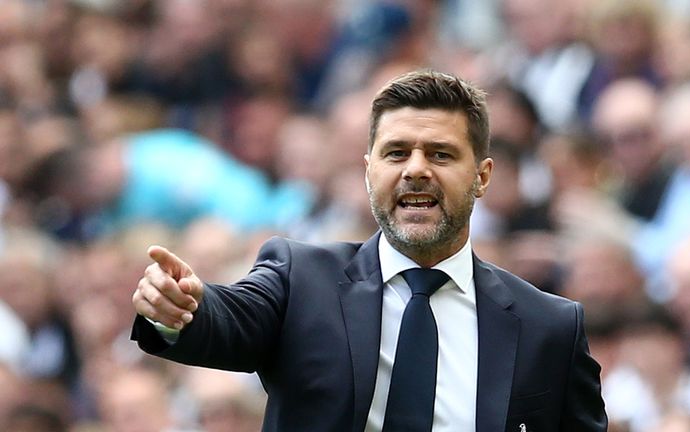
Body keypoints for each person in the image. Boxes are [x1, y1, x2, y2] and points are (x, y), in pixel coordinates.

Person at [130, 70, 607, 431]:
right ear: (367, 171)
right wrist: (179, 309)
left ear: (482, 175)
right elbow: (229, 315)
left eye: (440, 154)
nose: (416, 170)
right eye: (396, 153)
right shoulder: (301, 279)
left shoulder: (550, 327)